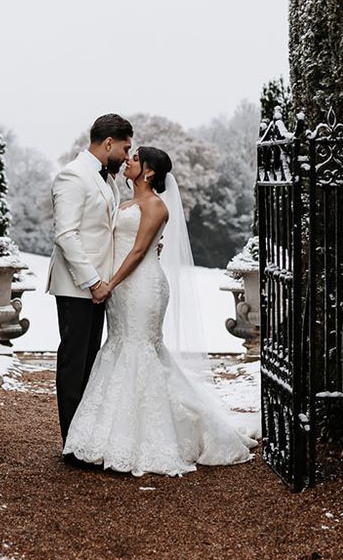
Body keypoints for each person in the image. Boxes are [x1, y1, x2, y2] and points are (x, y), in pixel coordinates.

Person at [63, 146, 257, 475]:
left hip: (142, 287)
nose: (128, 160)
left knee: (140, 350)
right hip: (123, 289)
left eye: (135, 159)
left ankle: (150, 438)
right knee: (121, 347)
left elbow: (139, 251)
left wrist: (109, 284)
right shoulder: (125, 201)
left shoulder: (155, 205)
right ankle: (115, 434)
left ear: (149, 171)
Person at [46, 113, 133, 460]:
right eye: (125, 148)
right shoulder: (72, 175)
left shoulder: (107, 179)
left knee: (89, 365)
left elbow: (105, 232)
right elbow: (65, 235)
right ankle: (72, 446)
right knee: (73, 363)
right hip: (77, 287)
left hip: (98, 289)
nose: (128, 156)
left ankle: (85, 439)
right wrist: (94, 281)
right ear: (109, 143)